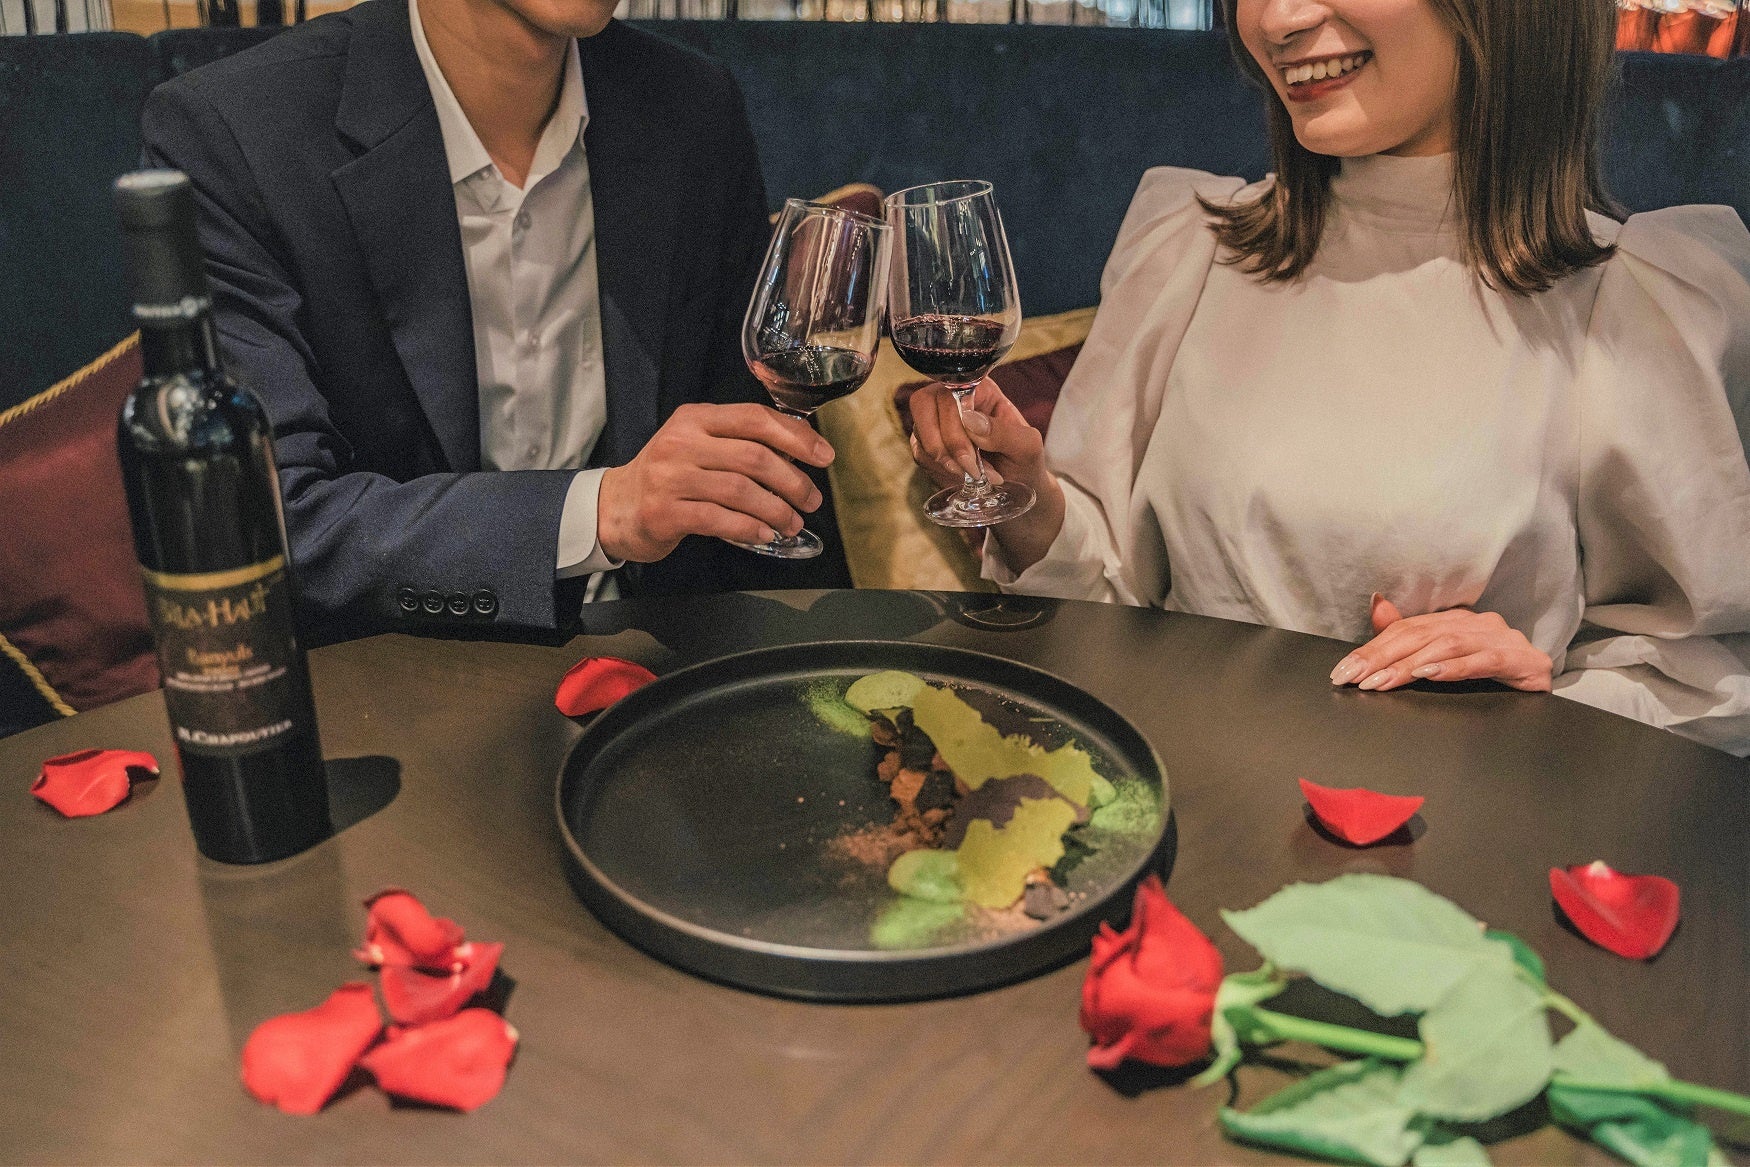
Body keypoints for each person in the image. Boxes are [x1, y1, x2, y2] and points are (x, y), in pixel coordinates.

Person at [908, 0, 1750, 754]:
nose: (1276, 21)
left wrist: (1542, 697)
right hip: (1172, 812)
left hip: (1441, 846)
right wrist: (1032, 507)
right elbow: (1107, 606)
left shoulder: (1627, 302)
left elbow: (1701, 688)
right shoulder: (1192, 252)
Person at [140, 0, 848, 645]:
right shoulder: (235, 131)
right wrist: (602, 511)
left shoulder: (691, 106)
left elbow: (750, 440)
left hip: (658, 658)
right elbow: (270, 520)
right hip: (391, 680)